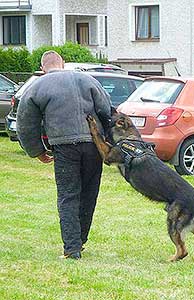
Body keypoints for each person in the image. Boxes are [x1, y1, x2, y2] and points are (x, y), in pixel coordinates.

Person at [17, 50, 112, 259]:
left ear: (43, 68)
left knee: (68, 195)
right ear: (63, 63)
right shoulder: (87, 79)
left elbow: (25, 123)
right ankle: (81, 240)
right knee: (89, 194)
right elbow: (106, 111)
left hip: (64, 145)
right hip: (92, 144)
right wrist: (109, 145)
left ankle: (72, 249)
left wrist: (37, 151)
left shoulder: (37, 87)